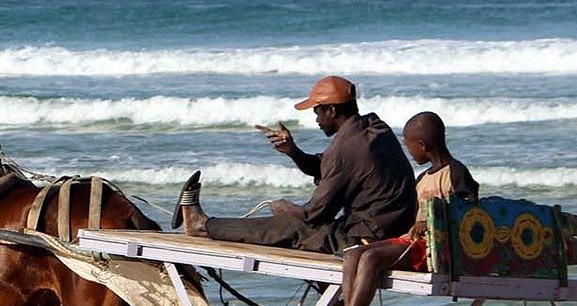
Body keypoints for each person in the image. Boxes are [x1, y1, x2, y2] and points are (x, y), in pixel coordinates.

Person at [300, 111, 479, 306]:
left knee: (371, 259)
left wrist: (431, 223)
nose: (409, 153)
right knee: (353, 253)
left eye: (409, 146)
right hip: (413, 242)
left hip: (436, 249)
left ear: (423, 146)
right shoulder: (422, 179)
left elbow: (472, 217)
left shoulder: (455, 172)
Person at [176, 76, 417, 257]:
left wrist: (284, 208)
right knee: (301, 226)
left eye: (318, 112)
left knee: (288, 227)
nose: (316, 120)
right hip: (391, 229)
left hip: (367, 240)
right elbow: (328, 167)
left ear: (332, 110)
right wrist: (293, 151)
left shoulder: (344, 148)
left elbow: (315, 214)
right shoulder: (374, 129)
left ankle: (202, 225)